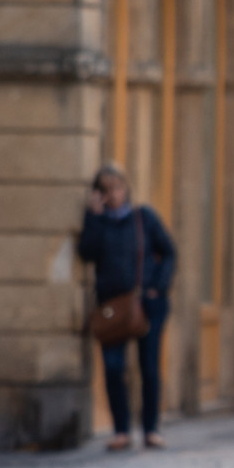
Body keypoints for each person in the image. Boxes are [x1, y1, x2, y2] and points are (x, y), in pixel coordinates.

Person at [77, 163, 176, 451]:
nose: (113, 195)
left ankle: (150, 429)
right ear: (98, 194)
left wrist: (159, 286)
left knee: (148, 367)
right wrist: (94, 216)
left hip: (146, 303)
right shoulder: (98, 221)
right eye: (105, 190)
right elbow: (87, 253)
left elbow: (168, 251)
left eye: (117, 188)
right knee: (113, 366)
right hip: (111, 306)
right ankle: (121, 430)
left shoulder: (143, 218)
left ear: (126, 188)